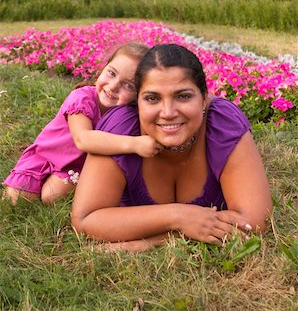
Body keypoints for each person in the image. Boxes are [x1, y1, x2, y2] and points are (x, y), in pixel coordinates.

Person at [71, 43, 272, 252]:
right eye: (152, 98)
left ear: (204, 99)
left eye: (183, 96)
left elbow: (254, 222)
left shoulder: (224, 125)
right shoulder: (120, 129)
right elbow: (85, 220)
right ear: (137, 102)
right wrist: (179, 218)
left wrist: (147, 241)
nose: (167, 112)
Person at [3, 42, 162, 205]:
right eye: (111, 73)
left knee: (51, 197)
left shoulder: (126, 115)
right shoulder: (82, 98)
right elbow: (82, 139)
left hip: (78, 166)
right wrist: (135, 144)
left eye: (128, 85)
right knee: (18, 198)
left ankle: (79, 183)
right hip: (47, 155)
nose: (113, 87)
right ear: (103, 67)